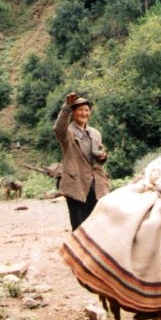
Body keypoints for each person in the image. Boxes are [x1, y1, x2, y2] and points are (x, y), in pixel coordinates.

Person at [54, 92, 110, 230]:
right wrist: (66, 107)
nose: (84, 113)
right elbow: (58, 128)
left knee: (98, 225)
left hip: (97, 186)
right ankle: (79, 251)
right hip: (76, 185)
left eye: (87, 110)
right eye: (80, 110)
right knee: (80, 226)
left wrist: (102, 157)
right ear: (73, 112)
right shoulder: (67, 133)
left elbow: (98, 157)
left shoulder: (95, 133)